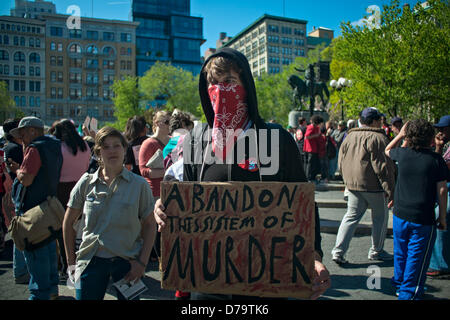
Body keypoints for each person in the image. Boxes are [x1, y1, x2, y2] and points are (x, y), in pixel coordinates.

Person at [153, 47, 330, 300]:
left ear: (246, 84)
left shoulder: (276, 139)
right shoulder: (195, 141)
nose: (221, 90)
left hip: (266, 281)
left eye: (229, 82)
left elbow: (303, 204)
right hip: (208, 282)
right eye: (213, 83)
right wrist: (164, 205)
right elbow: (184, 197)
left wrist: (313, 254)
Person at [62, 127, 157, 300]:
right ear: (98, 152)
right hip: (90, 262)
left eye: (116, 146)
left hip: (127, 263)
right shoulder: (86, 182)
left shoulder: (139, 185)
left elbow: (150, 224)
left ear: (124, 149)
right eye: (106, 147)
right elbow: (68, 223)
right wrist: (71, 262)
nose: (112, 151)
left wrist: (142, 263)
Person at [385, 119, 448, 299]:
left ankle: (399, 282)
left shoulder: (403, 154)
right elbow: (442, 190)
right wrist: (442, 218)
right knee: (417, 257)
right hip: (423, 217)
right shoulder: (436, 160)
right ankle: (409, 291)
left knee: (401, 251)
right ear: (429, 137)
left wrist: (400, 135)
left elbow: (387, 150)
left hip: (400, 213)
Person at [332, 107, 396, 265]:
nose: (381, 122)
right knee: (380, 218)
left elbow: (341, 162)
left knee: (351, 217)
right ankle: (376, 250)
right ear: (374, 121)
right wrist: (391, 190)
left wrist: (347, 181)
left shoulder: (349, 136)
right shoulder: (378, 138)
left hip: (353, 185)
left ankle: (338, 252)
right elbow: (383, 168)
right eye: (379, 119)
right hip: (373, 186)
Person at [8, 116, 63, 300]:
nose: (21, 138)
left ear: (32, 131)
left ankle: (39, 294)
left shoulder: (35, 148)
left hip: (33, 212)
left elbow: (26, 178)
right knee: (48, 252)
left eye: (22, 133)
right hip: (49, 206)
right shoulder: (54, 145)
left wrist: (18, 170)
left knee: (36, 253)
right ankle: (52, 291)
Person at [48, 119, 91, 278]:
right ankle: (81, 260)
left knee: (63, 229)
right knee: (80, 228)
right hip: (82, 186)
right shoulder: (85, 146)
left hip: (62, 190)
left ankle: (66, 264)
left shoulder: (58, 147)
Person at [428, 115, 450, 277]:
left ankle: (439, 264)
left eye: (443, 128)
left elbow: (442, 168)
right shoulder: (446, 146)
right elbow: (438, 164)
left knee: (441, 217)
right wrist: (438, 147)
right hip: (445, 185)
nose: (440, 132)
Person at [304, 115, 324, 184]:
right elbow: (306, 137)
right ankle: (308, 177)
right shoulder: (311, 127)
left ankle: (312, 177)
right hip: (311, 148)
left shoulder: (315, 127)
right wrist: (316, 135)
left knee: (313, 164)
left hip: (314, 148)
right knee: (310, 164)